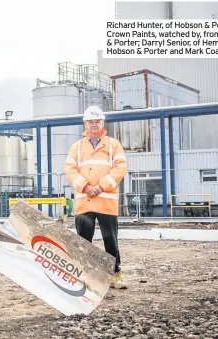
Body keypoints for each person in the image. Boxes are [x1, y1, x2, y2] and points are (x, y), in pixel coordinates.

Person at [64, 106, 128, 289]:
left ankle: (115, 274)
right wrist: (85, 186)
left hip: (106, 200)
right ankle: (85, 277)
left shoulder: (113, 145)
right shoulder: (76, 147)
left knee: (110, 239)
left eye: (97, 121)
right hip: (85, 200)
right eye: (90, 122)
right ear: (85, 124)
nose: (94, 125)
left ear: (103, 122)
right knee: (83, 241)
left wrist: (102, 186)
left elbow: (120, 168)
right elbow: (70, 169)